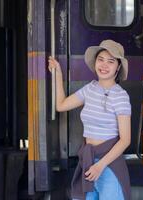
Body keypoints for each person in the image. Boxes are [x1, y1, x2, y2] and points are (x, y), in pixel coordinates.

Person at [48, 39, 131, 200]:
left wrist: (100, 166)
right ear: (95, 63)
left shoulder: (120, 96)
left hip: (108, 165)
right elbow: (61, 105)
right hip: (88, 161)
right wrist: (58, 73)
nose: (104, 65)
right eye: (101, 59)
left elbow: (125, 140)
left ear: (118, 67)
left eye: (111, 61)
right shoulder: (89, 89)